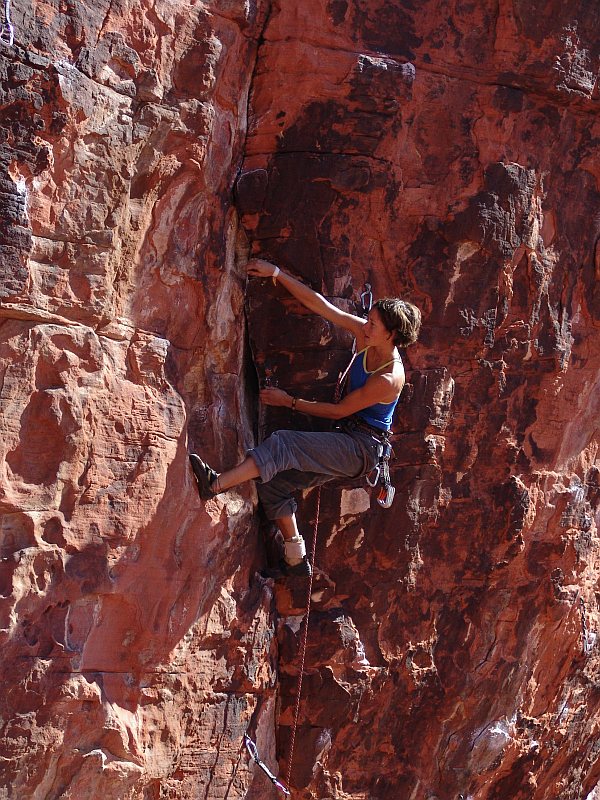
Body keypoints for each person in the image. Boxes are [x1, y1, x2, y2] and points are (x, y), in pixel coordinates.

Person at [189, 258, 421, 577]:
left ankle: (214, 485)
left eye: (372, 324)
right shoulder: (368, 338)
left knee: (284, 443)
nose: (364, 325)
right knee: (275, 484)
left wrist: (290, 402)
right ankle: (296, 558)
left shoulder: (389, 378)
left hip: (361, 448)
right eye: (368, 320)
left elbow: (340, 410)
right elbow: (323, 308)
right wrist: (278, 274)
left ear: (391, 335)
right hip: (347, 436)